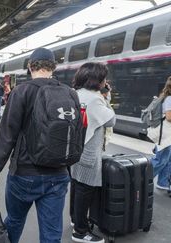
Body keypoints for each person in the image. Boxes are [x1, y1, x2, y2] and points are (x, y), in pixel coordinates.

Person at [0, 48, 76, 243]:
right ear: (53, 67)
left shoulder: (22, 91)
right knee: (51, 234)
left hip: (24, 174)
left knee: (15, 221)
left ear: (30, 67)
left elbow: (7, 136)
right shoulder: (69, 93)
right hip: (58, 175)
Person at [70, 63, 115, 243]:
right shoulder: (96, 99)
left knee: (76, 185)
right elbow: (111, 120)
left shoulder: (75, 93)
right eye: (103, 78)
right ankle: (81, 232)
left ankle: (76, 220)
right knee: (85, 189)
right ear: (98, 81)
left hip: (74, 148)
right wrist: (106, 97)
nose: (105, 81)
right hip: (88, 151)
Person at [148, 76, 171, 190]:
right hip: (166, 135)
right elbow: (169, 116)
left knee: (168, 160)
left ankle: (163, 183)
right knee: (160, 160)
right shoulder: (169, 99)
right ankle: (143, 179)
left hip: (168, 134)